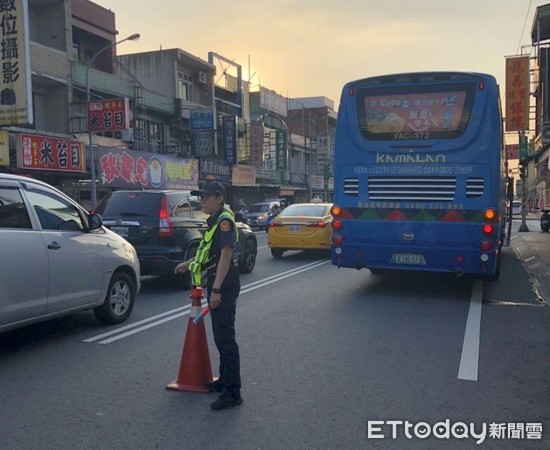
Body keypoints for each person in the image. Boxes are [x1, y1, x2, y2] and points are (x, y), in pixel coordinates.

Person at [174, 181, 243, 411]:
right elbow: (209, 254)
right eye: (201, 197)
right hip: (218, 280)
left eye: (206, 197)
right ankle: (224, 381)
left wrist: (215, 290)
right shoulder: (214, 221)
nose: (202, 201)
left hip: (223, 283)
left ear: (219, 198)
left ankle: (233, 393)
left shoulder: (224, 221)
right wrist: (187, 263)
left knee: (225, 339)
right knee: (220, 337)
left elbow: (225, 256)